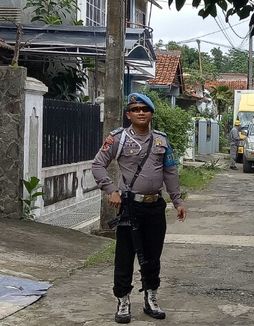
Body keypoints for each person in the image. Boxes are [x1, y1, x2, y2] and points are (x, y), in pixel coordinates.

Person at [92, 93, 186, 324]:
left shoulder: (161, 141)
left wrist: (177, 200)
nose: (141, 112)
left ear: (152, 113)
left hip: (155, 207)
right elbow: (98, 165)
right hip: (130, 208)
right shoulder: (118, 139)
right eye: (135, 109)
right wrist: (111, 189)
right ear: (129, 115)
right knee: (125, 256)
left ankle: (151, 298)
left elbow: (170, 171)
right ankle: (123, 300)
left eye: (145, 109)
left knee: (153, 256)